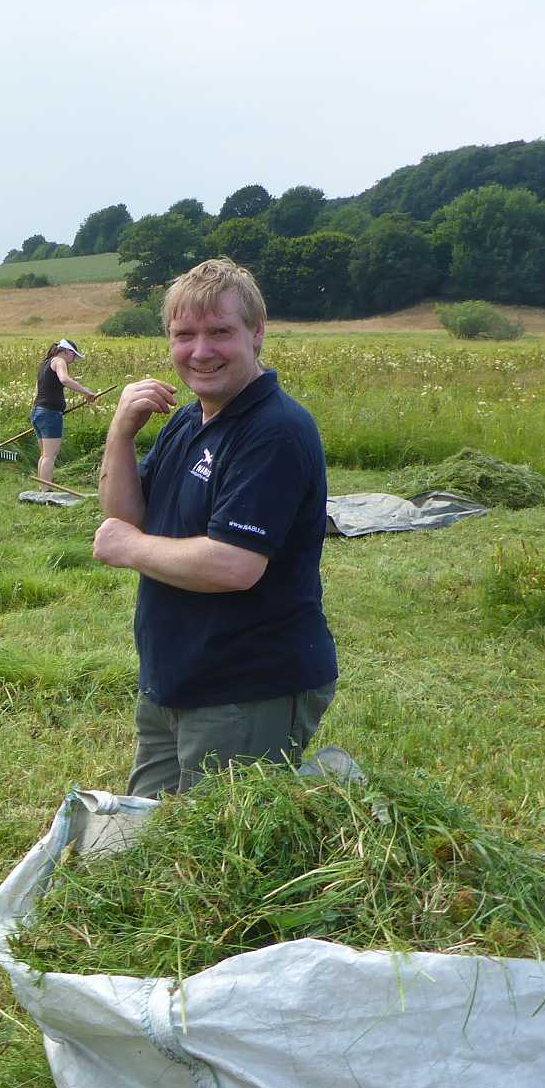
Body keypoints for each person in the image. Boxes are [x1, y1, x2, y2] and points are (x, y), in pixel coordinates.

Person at [91, 258, 336, 797]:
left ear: (257, 332)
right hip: (174, 678)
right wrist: (122, 433)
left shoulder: (274, 433)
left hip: (246, 686)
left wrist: (129, 548)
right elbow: (123, 515)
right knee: (147, 843)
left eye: (220, 332)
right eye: (185, 335)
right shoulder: (189, 418)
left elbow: (235, 564)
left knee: (220, 859)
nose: (200, 351)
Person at [30, 338, 99, 491]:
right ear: (67, 351)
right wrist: (87, 392)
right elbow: (64, 379)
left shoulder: (45, 364)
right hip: (50, 413)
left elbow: (37, 390)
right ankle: (46, 490)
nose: (73, 360)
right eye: (73, 356)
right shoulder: (59, 361)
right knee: (50, 456)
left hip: (38, 412)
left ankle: (42, 488)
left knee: (44, 455)